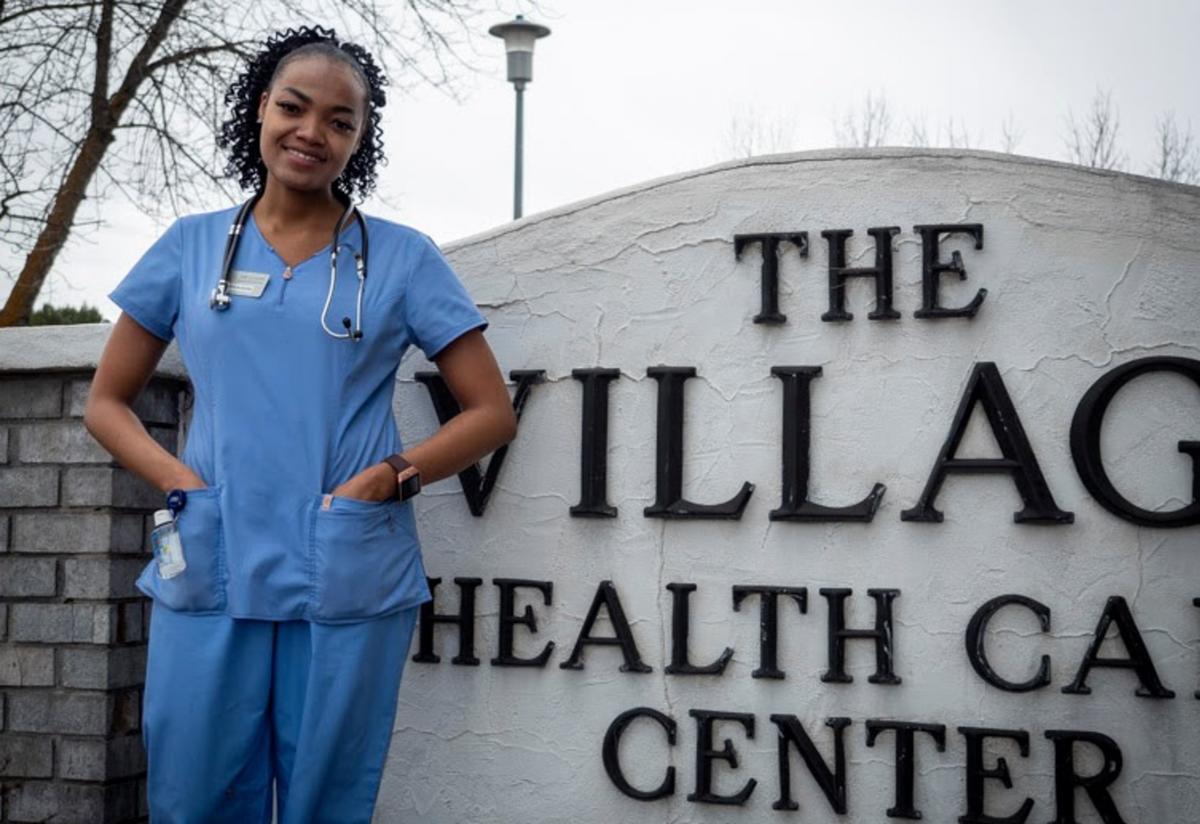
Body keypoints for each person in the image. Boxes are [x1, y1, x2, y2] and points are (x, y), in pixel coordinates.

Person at [84, 26, 516, 823]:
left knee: (328, 799)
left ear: (359, 140)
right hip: (215, 552)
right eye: (294, 106)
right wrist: (181, 481)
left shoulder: (401, 258)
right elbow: (105, 403)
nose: (312, 132)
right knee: (193, 793)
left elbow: (492, 411)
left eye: (341, 121)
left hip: (343, 562)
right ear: (260, 110)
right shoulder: (190, 247)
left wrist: (394, 476)